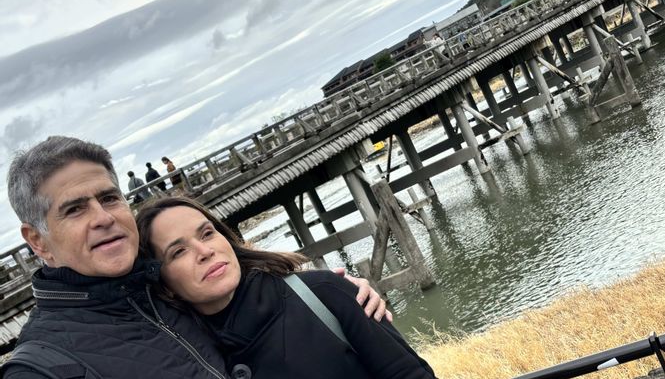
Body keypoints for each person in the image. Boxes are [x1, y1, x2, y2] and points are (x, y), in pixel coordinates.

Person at [3, 136, 389, 378]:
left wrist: (334, 295)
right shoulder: (44, 366)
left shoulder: (166, 289)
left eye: (108, 198)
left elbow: (257, 308)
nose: (102, 218)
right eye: (75, 209)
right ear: (37, 241)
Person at [137, 196, 437, 379]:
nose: (204, 251)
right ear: (164, 284)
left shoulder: (322, 293)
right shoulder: (188, 356)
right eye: (178, 252)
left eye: (206, 234)